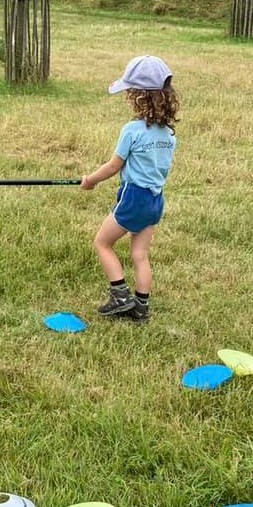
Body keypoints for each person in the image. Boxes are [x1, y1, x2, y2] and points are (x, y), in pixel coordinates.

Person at [81, 56, 180, 323]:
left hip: (134, 197)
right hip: (156, 200)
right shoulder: (169, 135)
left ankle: (120, 296)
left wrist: (90, 180)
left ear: (137, 97)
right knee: (140, 254)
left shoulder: (132, 130)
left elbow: (114, 165)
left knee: (102, 243)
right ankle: (141, 309)